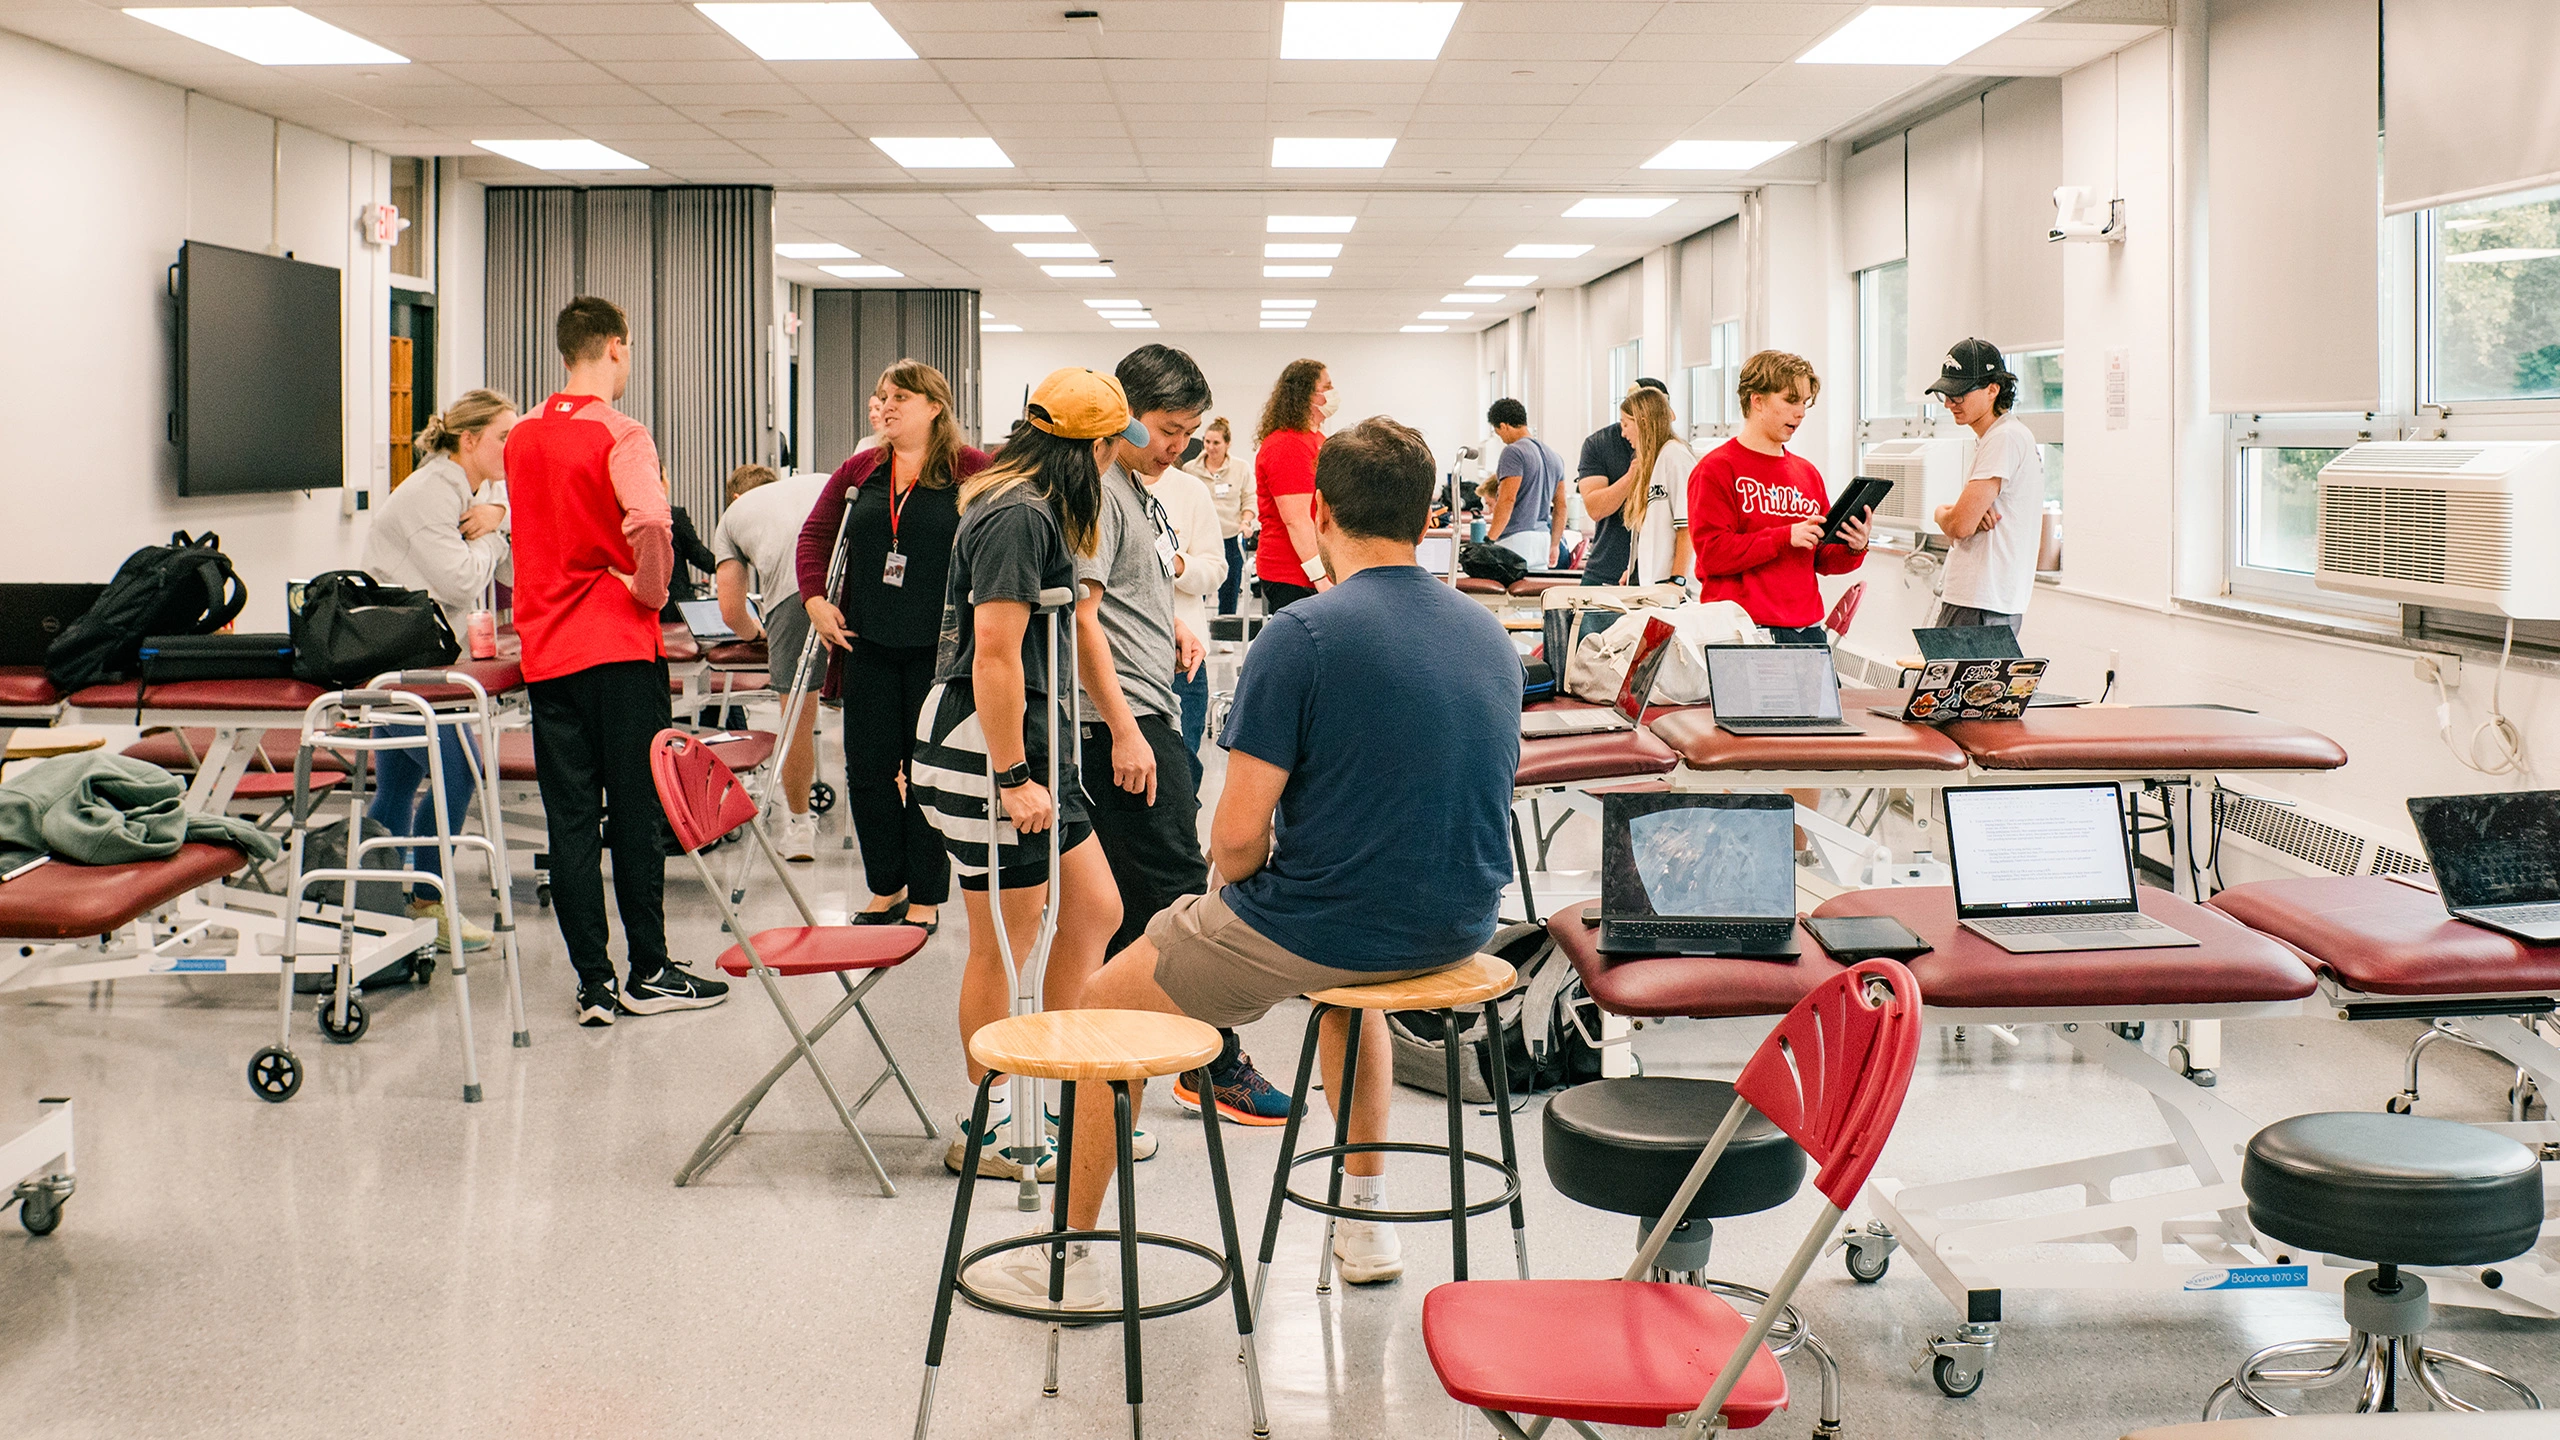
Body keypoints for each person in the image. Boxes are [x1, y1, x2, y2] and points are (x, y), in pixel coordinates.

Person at [969, 416, 1523, 1309]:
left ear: (1318, 513)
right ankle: (1365, 1222)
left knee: (1106, 1000)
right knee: (1351, 993)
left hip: (1325, 924)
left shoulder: (1301, 635)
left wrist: (1249, 882)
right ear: (1428, 520)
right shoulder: (1488, 633)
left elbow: (1232, 841)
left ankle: (1066, 1255)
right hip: (1456, 923)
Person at [908, 367, 1134, 1178]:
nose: (1114, 464)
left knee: (1095, 909)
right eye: (1112, 448)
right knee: (1002, 945)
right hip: (989, 744)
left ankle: (1061, 1080)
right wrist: (1012, 777)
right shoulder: (1015, 515)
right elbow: (996, 653)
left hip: (1032, 742)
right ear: (1091, 448)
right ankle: (991, 1120)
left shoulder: (1034, 509)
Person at [505, 296, 729, 1026]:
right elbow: (653, 522)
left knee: (570, 822)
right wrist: (651, 592)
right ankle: (649, 971)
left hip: (546, 654)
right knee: (635, 813)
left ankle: (592, 984)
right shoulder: (622, 433)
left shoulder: (520, 436)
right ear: (615, 349)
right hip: (616, 648)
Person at [799, 360, 987, 935]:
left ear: (936, 406)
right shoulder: (862, 469)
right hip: (867, 642)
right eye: (881, 396)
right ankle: (886, 888)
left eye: (900, 397)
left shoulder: (971, 469)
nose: (886, 406)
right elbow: (815, 534)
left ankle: (928, 894)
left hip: (940, 650)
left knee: (927, 771)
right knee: (868, 771)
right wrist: (813, 600)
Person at [1688, 349, 1872, 859]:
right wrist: (1781, 537)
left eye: (1806, 405)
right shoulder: (1716, 469)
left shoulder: (1808, 474)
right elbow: (1712, 553)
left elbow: (1821, 559)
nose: (1798, 413)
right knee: (1746, 762)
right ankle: (1737, 867)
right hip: (1745, 633)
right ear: (1756, 399)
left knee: (1805, 759)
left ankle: (1796, 860)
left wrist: (1852, 547)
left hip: (1804, 631)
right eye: (1790, 401)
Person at [360, 387, 514, 951]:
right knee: (460, 770)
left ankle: (375, 901)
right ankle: (426, 901)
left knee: (400, 780)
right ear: (468, 440)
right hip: (398, 657)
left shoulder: (478, 488)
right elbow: (460, 581)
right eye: (502, 436)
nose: (511, 445)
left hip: (424, 653)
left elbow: (504, 537)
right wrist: (496, 534)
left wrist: (499, 515)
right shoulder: (430, 493)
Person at [710, 461, 830, 860]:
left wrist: (757, 635)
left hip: (793, 594)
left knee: (797, 716)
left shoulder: (732, 517)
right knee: (883, 706)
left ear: (735, 497)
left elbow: (731, 611)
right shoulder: (819, 481)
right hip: (861, 578)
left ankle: (799, 828)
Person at [1926, 338, 2045, 635]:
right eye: (1946, 395)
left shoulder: (2004, 438)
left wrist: (1942, 513)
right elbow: (1967, 518)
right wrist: (1960, 514)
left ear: (1993, 389)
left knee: (1948, 684)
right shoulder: (2004, 437)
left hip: (1979, 602)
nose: (1950, 403)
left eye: (1959, 394)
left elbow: (1960, 525)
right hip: (1987, 601)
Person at [1142, 416, 1224, 782]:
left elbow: (1215, 569)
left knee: (1182, 772)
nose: (1179, 445)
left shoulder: (1191, 491)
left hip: (1183, 659)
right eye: (1170, 432)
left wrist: (1177, 563)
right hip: (1127, 660)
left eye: (1188, 435)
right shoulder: (1104, 486)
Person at [1251, 359, 1334, 611]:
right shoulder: (1288, 445)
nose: (1333, 393)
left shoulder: (1316, 439)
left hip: (1312, 566)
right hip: (1293, 574)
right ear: (1307, 395)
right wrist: (1320, 578)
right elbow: (1296, 520)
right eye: (1327, 387)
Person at [1574, 377, 1671, 585]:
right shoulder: (1599, 444)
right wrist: (1633, 475)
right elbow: (1595, 508)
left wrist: (1679, 578)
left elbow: (1685, 525)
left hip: (1656, 575)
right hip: (1606, 568)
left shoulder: (1673, 452)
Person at [1613, 385, 1697, 586]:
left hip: (1675, 589)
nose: (1623, 434)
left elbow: (1687, 528)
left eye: (1626, 424)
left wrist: (1677, 580)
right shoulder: (1653, 462)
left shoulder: (1675, 457)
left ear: (1643, 423)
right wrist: (1634, 571)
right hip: (1654, 585)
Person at [1482, 398, 1566, 569]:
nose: (1502, 439)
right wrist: (1555, 544)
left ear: (1504, 426)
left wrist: (1489, 541)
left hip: (1516, 540)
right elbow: (1561, 506)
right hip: (1542, 540)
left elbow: (1507, 500)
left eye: (1499, 433)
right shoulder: (1555, 457)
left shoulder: (1513, 452)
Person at [1185, 416, 1254, 615]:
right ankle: (1197, 629)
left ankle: (1227, 632)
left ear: (1227, 444)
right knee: (1199, 585)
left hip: (1230, 535)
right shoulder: (1190, 469)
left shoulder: (1240, 468)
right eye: (1207, 441)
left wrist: (1246, 522)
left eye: (1216, 443)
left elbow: (1249, 499)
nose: (1211, 447)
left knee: (1230, 585)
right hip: (1200, 536)